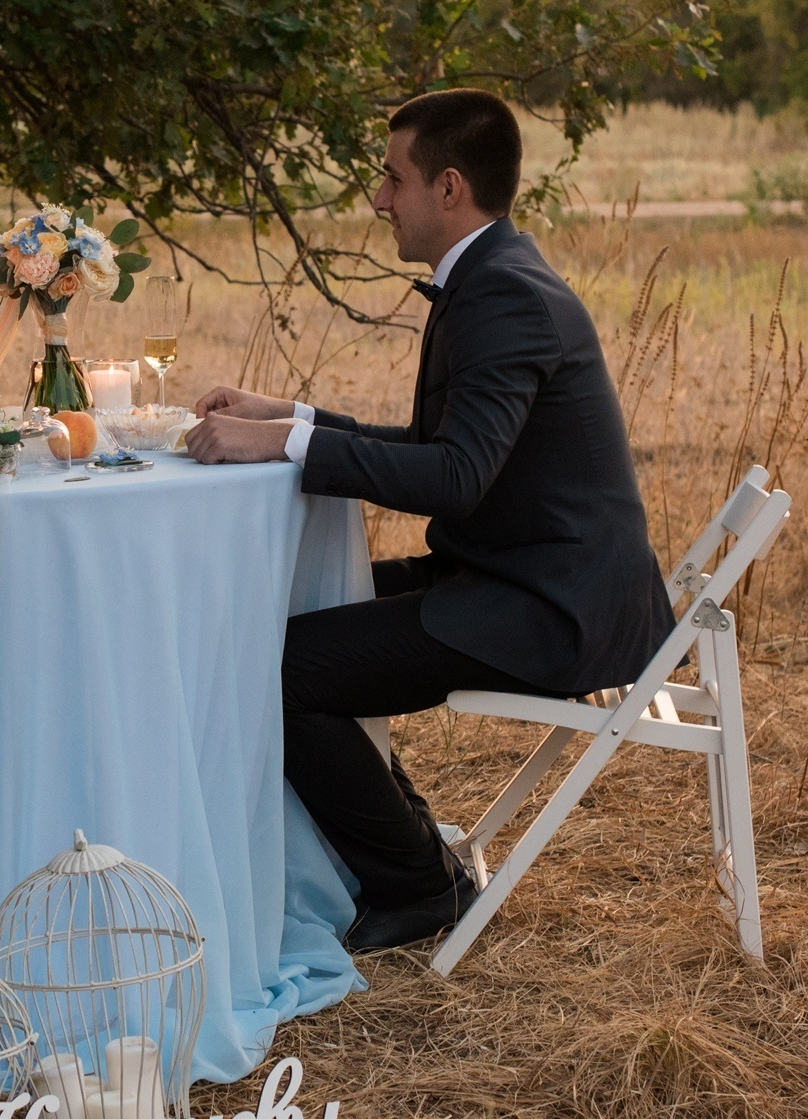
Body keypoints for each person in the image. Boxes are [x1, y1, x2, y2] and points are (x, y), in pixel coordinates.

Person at [188, 89, 667, 952]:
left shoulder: (503, 296)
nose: (378, 199)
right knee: (291, 629)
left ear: (448, 188)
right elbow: (438, 447)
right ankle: (418, 859)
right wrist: (290, 417)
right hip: (520, 575)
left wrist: (283, 444)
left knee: (285, 666)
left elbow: (452, 476)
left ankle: (415, 884)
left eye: (391, 178)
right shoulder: (490, 278)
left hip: (551, 608)